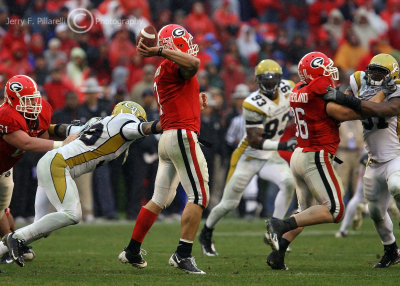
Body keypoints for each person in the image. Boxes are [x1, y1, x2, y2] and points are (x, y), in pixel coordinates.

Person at [263, 51, 398, 270]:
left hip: (299, 154)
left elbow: (327, 95)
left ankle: (278, 254)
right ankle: (281, 224)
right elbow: (363, 112)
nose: (331, 79)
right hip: (315, 156)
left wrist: (342, 94)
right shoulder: (325, 102)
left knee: (306, 211)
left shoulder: (299, 89)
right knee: (335, 209)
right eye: (326, 73)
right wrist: (380, 93)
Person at [2, 101, 162, 267]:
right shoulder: (127, 122)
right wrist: (170, 123)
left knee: (42, 227)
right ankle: (15, 238)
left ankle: (6, 247)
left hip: (50, 162)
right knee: (72, 214)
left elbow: (62, 129)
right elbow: (145, 128)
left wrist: (31, 129)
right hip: (58, 165)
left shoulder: (98, 121)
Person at [118, 24, 209, 274]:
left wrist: (194, 101)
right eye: (183, 44)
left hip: (169, 138)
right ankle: (183, 254)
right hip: (181, 136)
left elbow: (181, 87)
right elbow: (193, 64)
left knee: (159, 199)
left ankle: (132, 249)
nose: (189, 47)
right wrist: (160, 49)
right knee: (200, 197)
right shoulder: (170, 64)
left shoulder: (165, 68)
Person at [198, 59, 297, 256]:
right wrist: (284, 144)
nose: (270, 84)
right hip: (248, 156)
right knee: (229, 203)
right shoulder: (252, 103)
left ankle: (274, 230)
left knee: (288, 182)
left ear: (280, 79)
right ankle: (206, 232)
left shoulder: (289, 88)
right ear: (257, 81)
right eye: (265, 80)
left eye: (273, 80)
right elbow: (254, 140)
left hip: (270, 156)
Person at [322, 53, 400, 268]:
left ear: (392, 75)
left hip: (396, 155)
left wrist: (346, 99)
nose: (374, 75)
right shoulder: (358, 81)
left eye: (381, 73)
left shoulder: (398, 88)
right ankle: (391, 250)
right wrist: (348, 100)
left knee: (397, 186)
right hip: (374, 160)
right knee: (375, 212)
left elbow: (386, 109)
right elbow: (347, 111)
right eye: (372, 70)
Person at [0, 75, 73, 264]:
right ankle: (12, 245)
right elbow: (26, 142)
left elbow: (42, 135)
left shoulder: (42, 110)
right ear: (13, 100)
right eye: (27, 100)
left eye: (34, 98)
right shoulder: (6, 115)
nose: (33, 103)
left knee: (2, 210)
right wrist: (63, 144)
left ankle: (13, 243)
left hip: (5, 168)